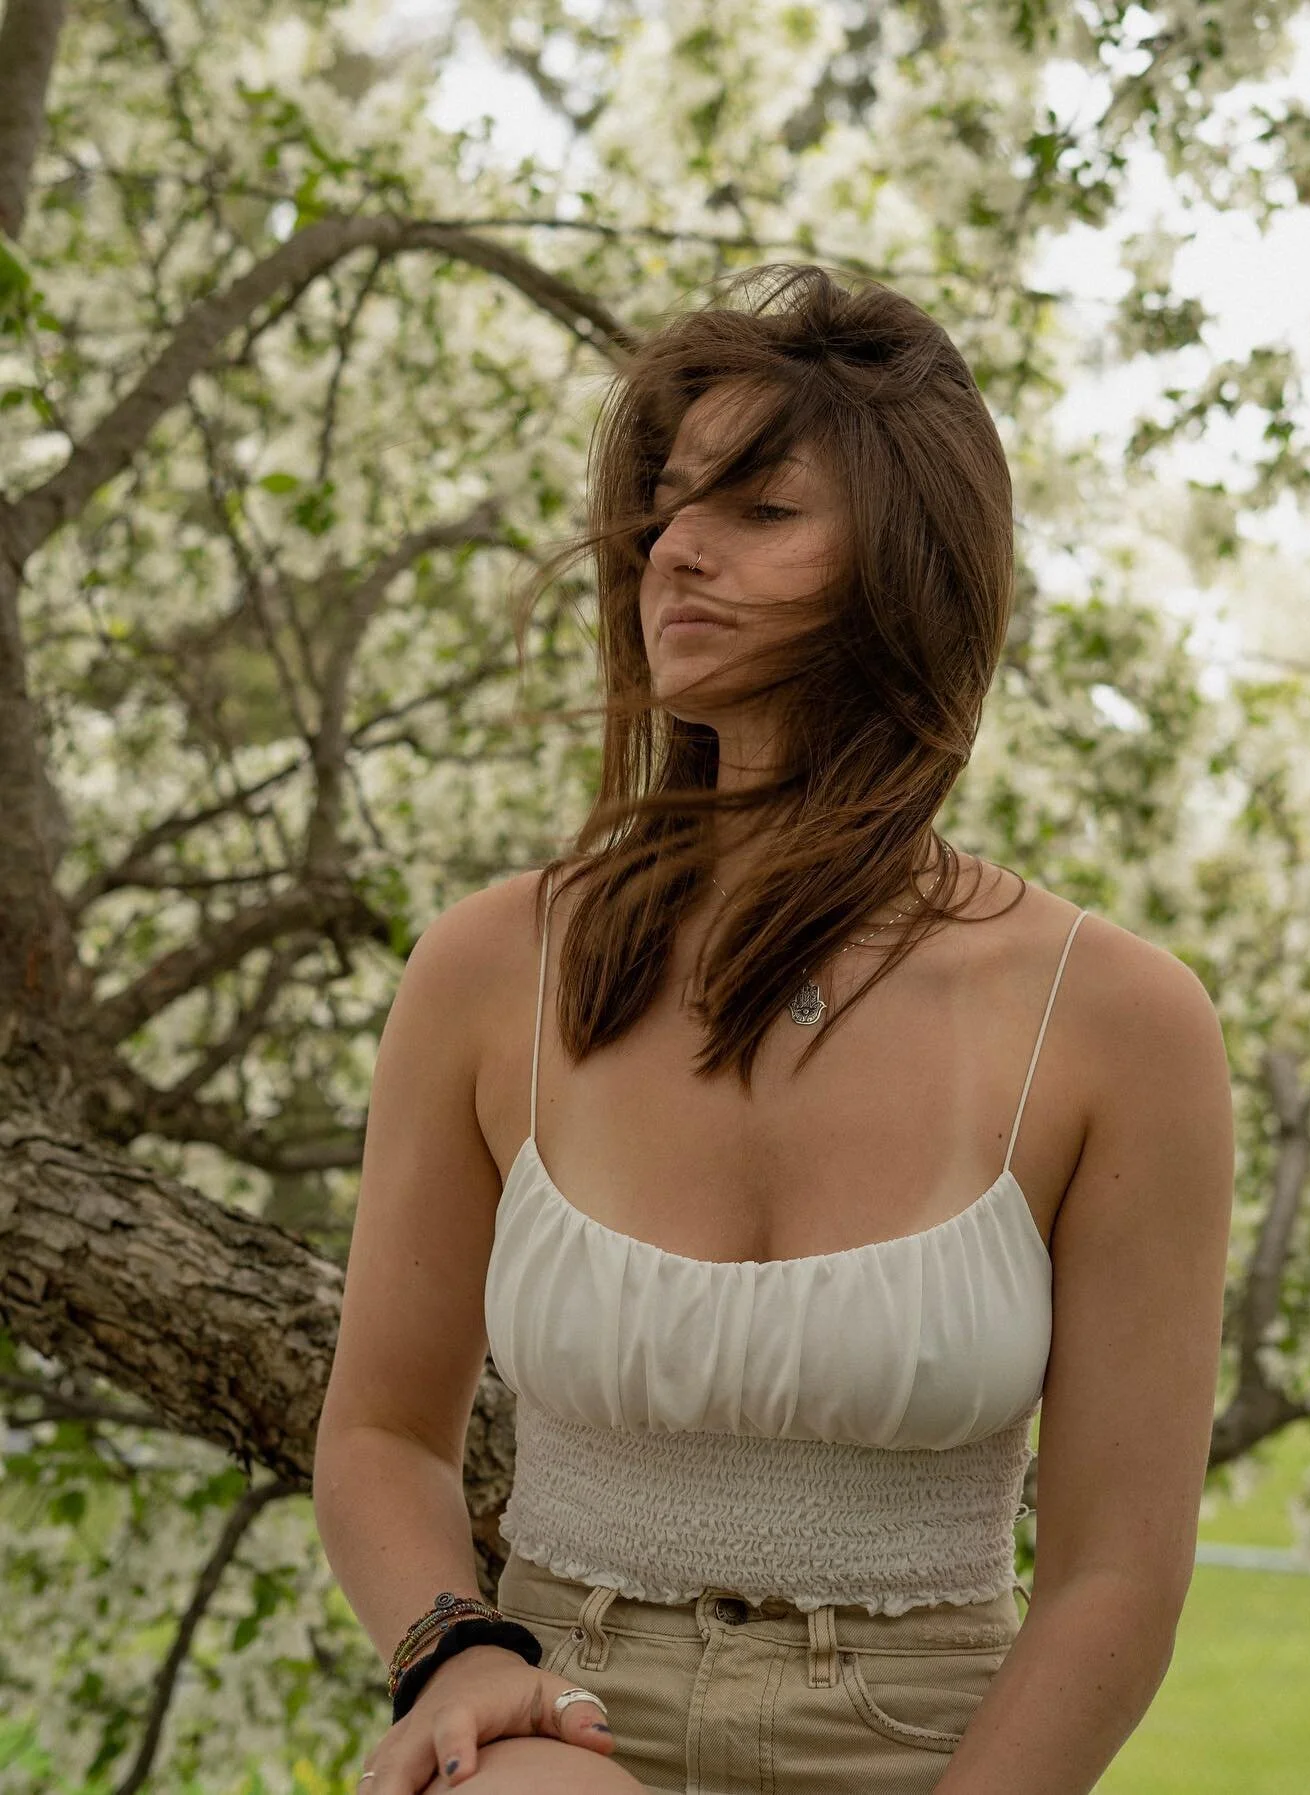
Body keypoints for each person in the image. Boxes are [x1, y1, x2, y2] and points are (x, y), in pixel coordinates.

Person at [313, 264, 1234, 1795]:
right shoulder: (492, 968)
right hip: (561, 1724)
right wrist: (457, 1649)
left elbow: (1113, 1578)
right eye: (669, 505)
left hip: (937, 1745)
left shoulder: (1116, 1021)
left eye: (760, 510)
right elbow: (383, 1432)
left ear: (909, 568)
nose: (673, 549)